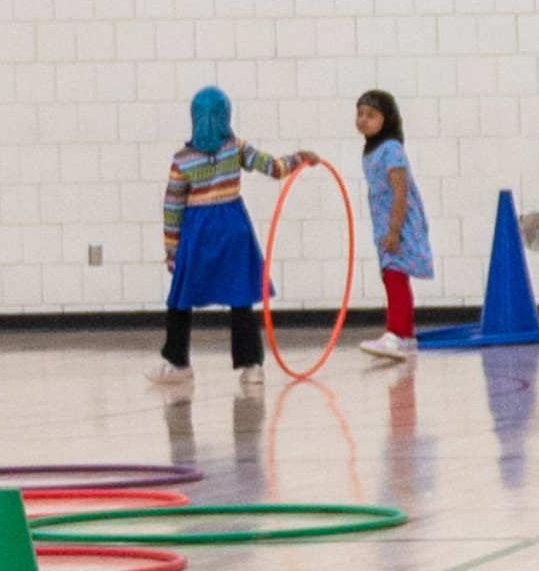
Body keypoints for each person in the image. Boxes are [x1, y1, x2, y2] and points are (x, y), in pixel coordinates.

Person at [156, 86, 320, 386]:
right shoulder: (235, 147)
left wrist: (171, 249)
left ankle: (178, 364)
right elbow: (273, 167)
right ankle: (251, 366)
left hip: (198, 232)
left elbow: (172, 205)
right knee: (240, 296)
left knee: (180, 299)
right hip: (233, 228)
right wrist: (298, 158)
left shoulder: (182, 159)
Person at [353, 90, 433, 361]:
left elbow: (400, 191)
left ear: (386, 120)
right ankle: (406, 337)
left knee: (394, 275)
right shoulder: (373, 149)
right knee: (393, 274)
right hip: (385, 221)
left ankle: (395, 334)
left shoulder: (391, 150)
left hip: (399, 221)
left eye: (371, 115)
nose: (363, 120)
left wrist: (395, 229)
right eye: (360, 113)